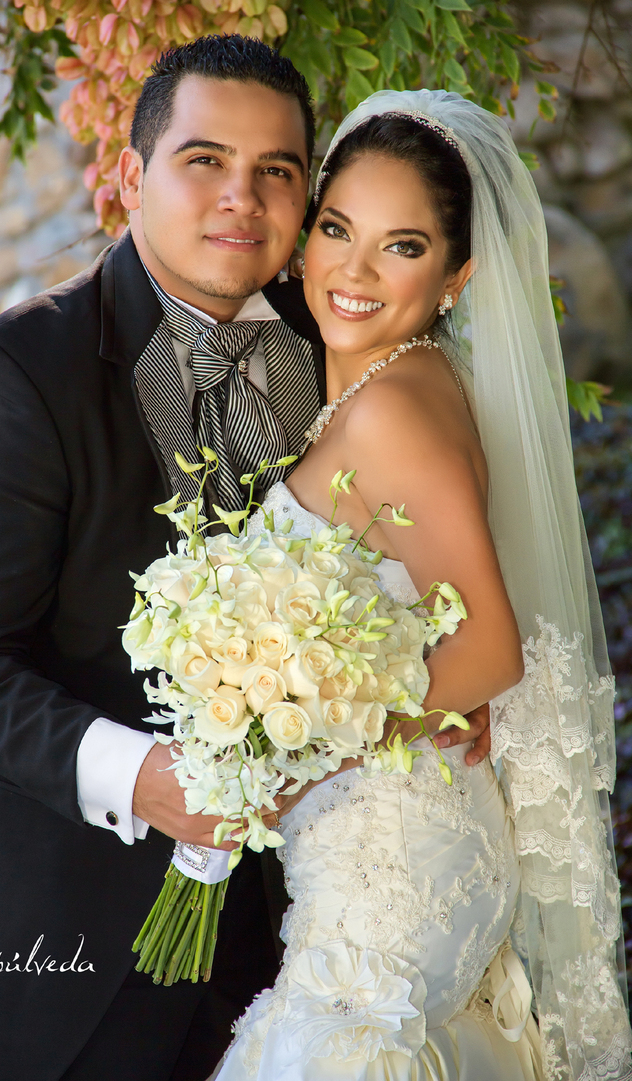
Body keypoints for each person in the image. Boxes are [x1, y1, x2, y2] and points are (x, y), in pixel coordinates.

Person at [0, 39, 490, 1081]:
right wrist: (149, 777)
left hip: (280, 942)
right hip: (46, 948)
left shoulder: (340, 349)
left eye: (277, 171)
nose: (243, 198)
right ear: (131, 177)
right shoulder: (15, 375)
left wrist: (426, 683)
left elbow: (411, 558)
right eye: (204, 160)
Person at [215, 90, 632, 1081]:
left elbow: (490, 647)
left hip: (397, 870)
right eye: (337, 229)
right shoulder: (395, 377)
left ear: (458, 273)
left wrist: (326, 740)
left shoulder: (393, 408)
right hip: (389, 844)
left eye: (401, 246)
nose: (353, 271)